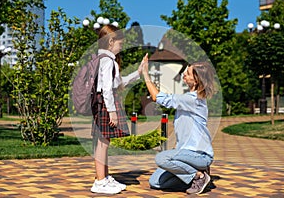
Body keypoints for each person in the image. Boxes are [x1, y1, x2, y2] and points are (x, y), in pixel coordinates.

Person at [142, 56, 215, 195]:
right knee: (156, 182)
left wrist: (145, 73)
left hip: (199, 155)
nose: (184, 76)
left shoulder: (192, 99)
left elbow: (157, 97)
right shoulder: (189, 98)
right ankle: (195, 177)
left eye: (187, 74)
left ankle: (198, 176)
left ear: (197, 79)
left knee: (161, 158)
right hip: (187, 153)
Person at [90, 24, 147, 194]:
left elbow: (118, 84)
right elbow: (107, 89)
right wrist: (112, 112)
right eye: (120, 44)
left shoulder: (105, 60)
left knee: (103, 142)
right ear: (111, 42)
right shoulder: (107, 61)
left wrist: (138, 73)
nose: (121, 47)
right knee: (102, 143)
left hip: (104, 103)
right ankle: (100, 182)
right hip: (106, 103)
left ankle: (104, 178)